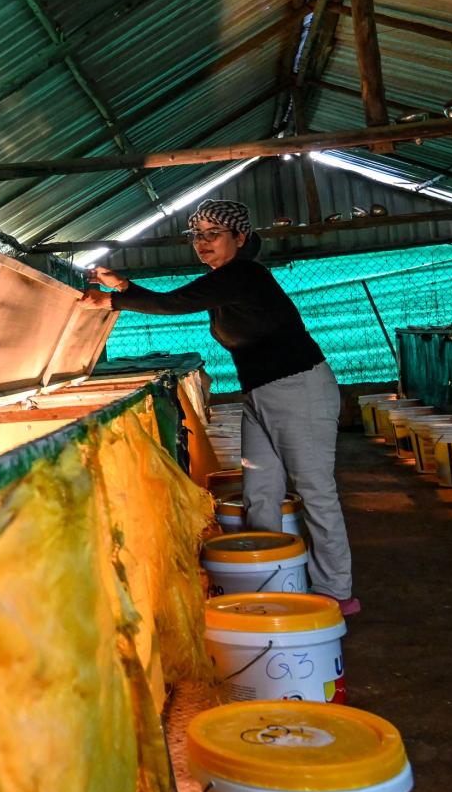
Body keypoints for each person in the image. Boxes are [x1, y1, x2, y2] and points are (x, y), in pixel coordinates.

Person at [78, 199, 358, 614]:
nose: (202, 243)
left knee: (316, 490)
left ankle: (337, 589)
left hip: (300, 387)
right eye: (196, 235)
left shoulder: (245, 274)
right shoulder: (222, 282)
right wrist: (121, 288)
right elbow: (178, 299)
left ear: (240, 238)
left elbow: (173, 303)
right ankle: (271, 578)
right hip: (260, 393)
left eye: (213, 234)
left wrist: (115, 299)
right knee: (260, 492)